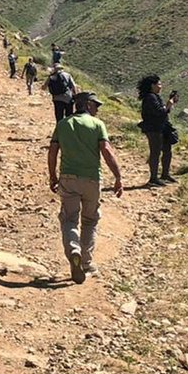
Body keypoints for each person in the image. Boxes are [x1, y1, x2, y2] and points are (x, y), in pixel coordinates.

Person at [47, 91, 123, 284]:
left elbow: (53, 150)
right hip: (92, 179)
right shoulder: (97, 125)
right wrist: (118, 176)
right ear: (87, 105)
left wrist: (53, 176)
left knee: (69, 219)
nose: (97, 109)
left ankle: (74, 249)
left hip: (68, 177)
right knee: (89, 220)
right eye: (96, 105)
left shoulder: (62, 124)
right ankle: (87, 262)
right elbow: (106, 151)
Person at [138, 74, 178, 187]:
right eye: (159, 84)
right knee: (155, 152)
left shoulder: (154, 96)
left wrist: (169, 105)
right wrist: (168, 105)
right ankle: (153, 178)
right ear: (152, 85)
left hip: (161, 127)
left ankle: (165, 175)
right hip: (154, 129)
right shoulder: (151, 97)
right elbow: (160, 112)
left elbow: (162, 112)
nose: (160, 86)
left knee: (167, 150)